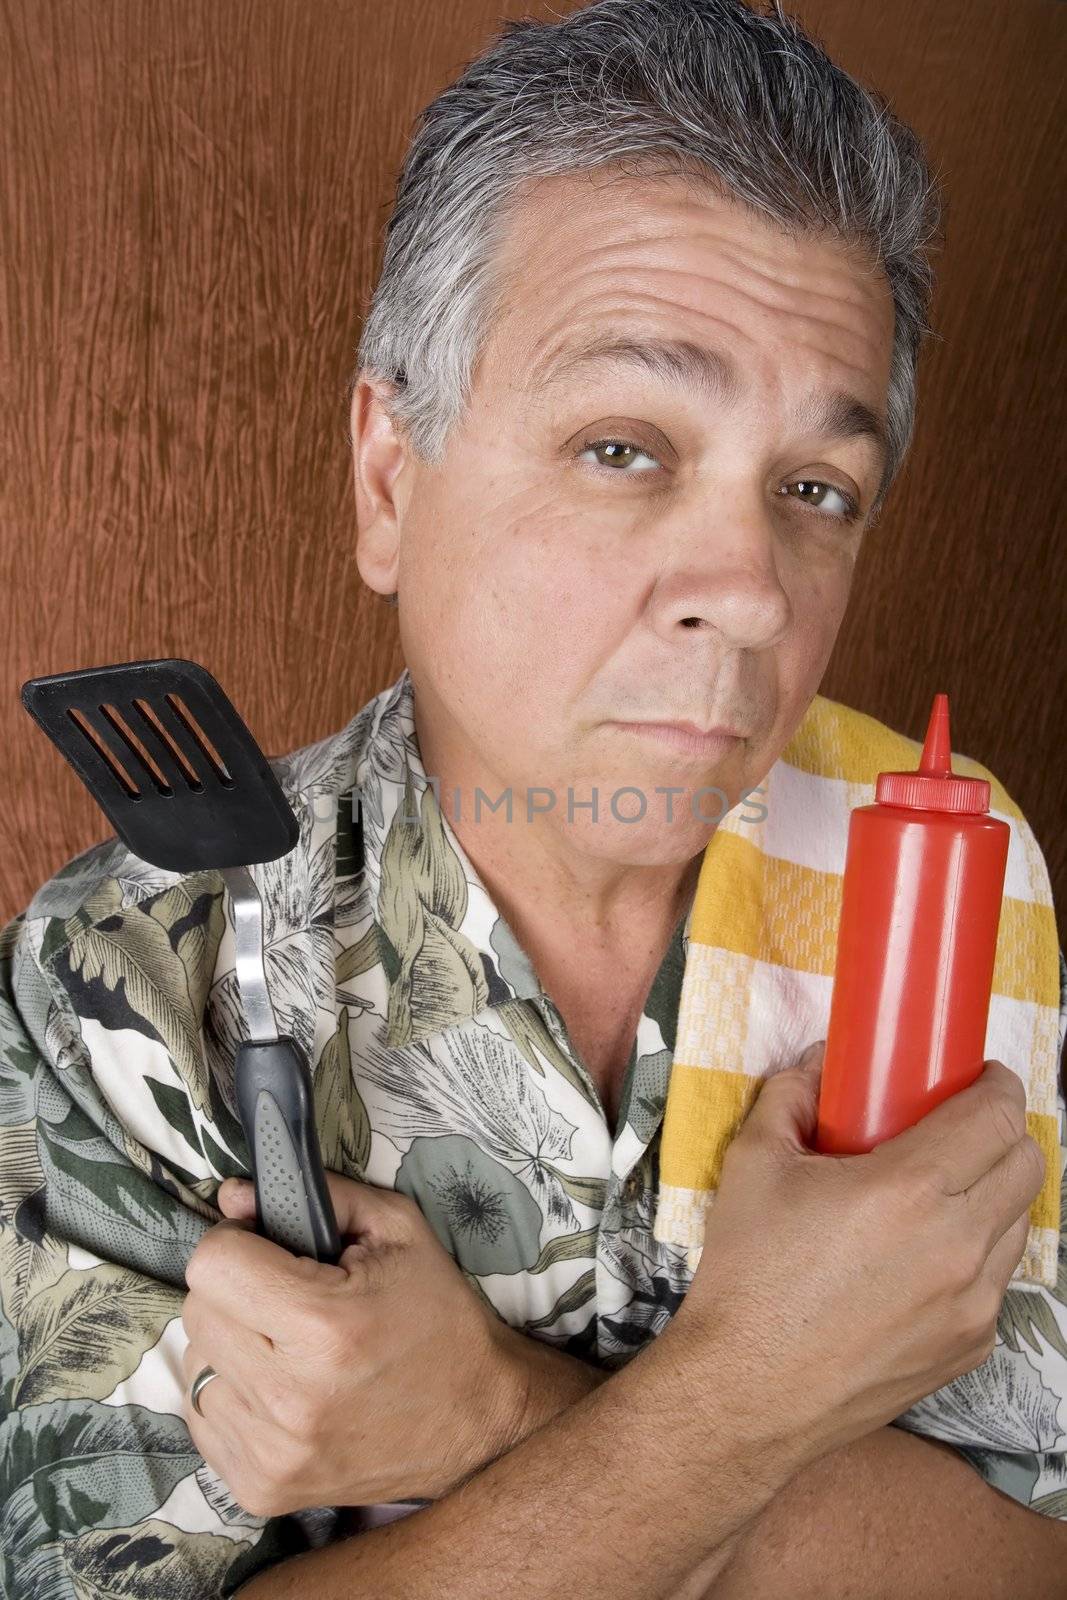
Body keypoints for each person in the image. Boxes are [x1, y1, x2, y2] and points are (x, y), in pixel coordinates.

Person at [2, 1, 1065, 1596]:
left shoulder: (944, 887)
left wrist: (496, 1415)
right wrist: (759, 1408)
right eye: (626, 446)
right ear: (389, 475)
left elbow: (1020, 1564)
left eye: (816, 490)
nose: (755, 591)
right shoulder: (133, 975)